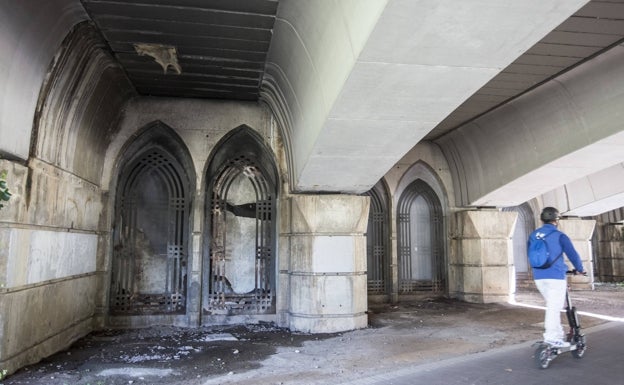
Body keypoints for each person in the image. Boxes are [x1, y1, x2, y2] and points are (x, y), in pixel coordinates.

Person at [528, 206, 585, 348]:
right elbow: (573, 254)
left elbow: (529, 254)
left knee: (554, 305)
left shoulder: (533, 235)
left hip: (539, 276)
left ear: (542, 220)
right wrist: (580, 269)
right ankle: (552, 338)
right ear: (556, 220)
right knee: (554, 307)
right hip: (555, 276)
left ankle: (558, 335)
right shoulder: (560, 236)